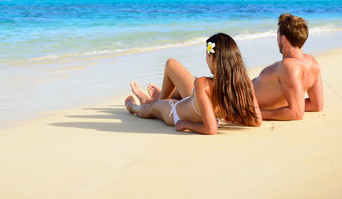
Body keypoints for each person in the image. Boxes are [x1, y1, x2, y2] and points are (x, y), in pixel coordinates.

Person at [125, 32, 262, 135]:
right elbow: (257, 121)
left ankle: (134, 107)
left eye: (207, 55)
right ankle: (157, 99)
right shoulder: (245, 83)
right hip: (196, 106)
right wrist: (228, 116)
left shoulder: (203, 83)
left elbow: (211, 129)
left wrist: (185, 124)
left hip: (177, 112)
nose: (206, 59)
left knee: (153, 107)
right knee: (171, 65)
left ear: (214, 58)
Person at [252, 13, 324, 120]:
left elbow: (296, 113)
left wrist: (255, 113)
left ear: (284, 39)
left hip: (236, 102)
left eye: (277, 35)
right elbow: (317, 105)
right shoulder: (312, 63)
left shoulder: (288, 66)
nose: (277, 39)